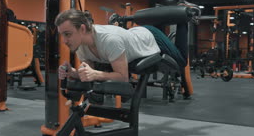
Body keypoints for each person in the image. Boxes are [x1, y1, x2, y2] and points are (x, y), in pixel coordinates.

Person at [56, 8, 192, 98]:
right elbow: (89, 72)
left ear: (82, 29)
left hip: (150, 37)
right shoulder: (81, 45)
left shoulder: (110, 40)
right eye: (62, 35)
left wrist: (96, 74)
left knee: (181, 62)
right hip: (135, 35)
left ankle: (183, 19)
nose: (64, 41)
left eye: (67, 34)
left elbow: (123, 78)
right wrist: (73, 73)